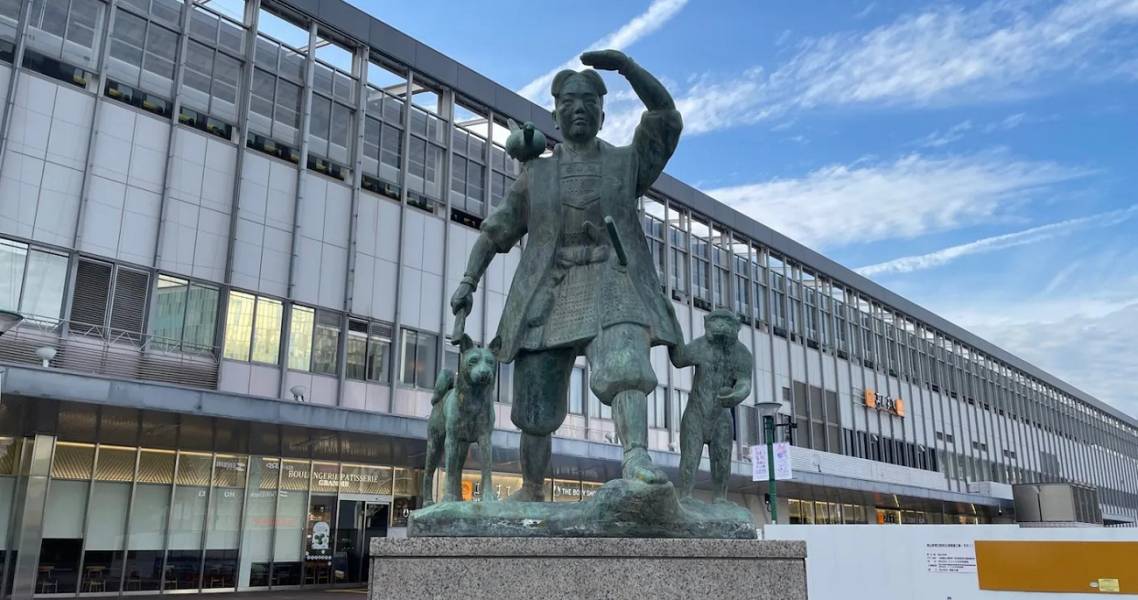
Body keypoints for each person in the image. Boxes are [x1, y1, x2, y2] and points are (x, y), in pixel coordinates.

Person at [449, 49, 682, 501]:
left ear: (602, 112)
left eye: (588, 103)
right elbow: (496, 230)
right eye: (569, 103)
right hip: (550, 289)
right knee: (535, 402)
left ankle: (636, 457)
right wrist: (467, 281)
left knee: (625, 366)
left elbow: (665, 116)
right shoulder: (537, 175)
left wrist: (628, 68)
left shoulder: (625, 164)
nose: (578, 110)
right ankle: (533, 487)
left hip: (612, 278)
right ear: (555, 114)